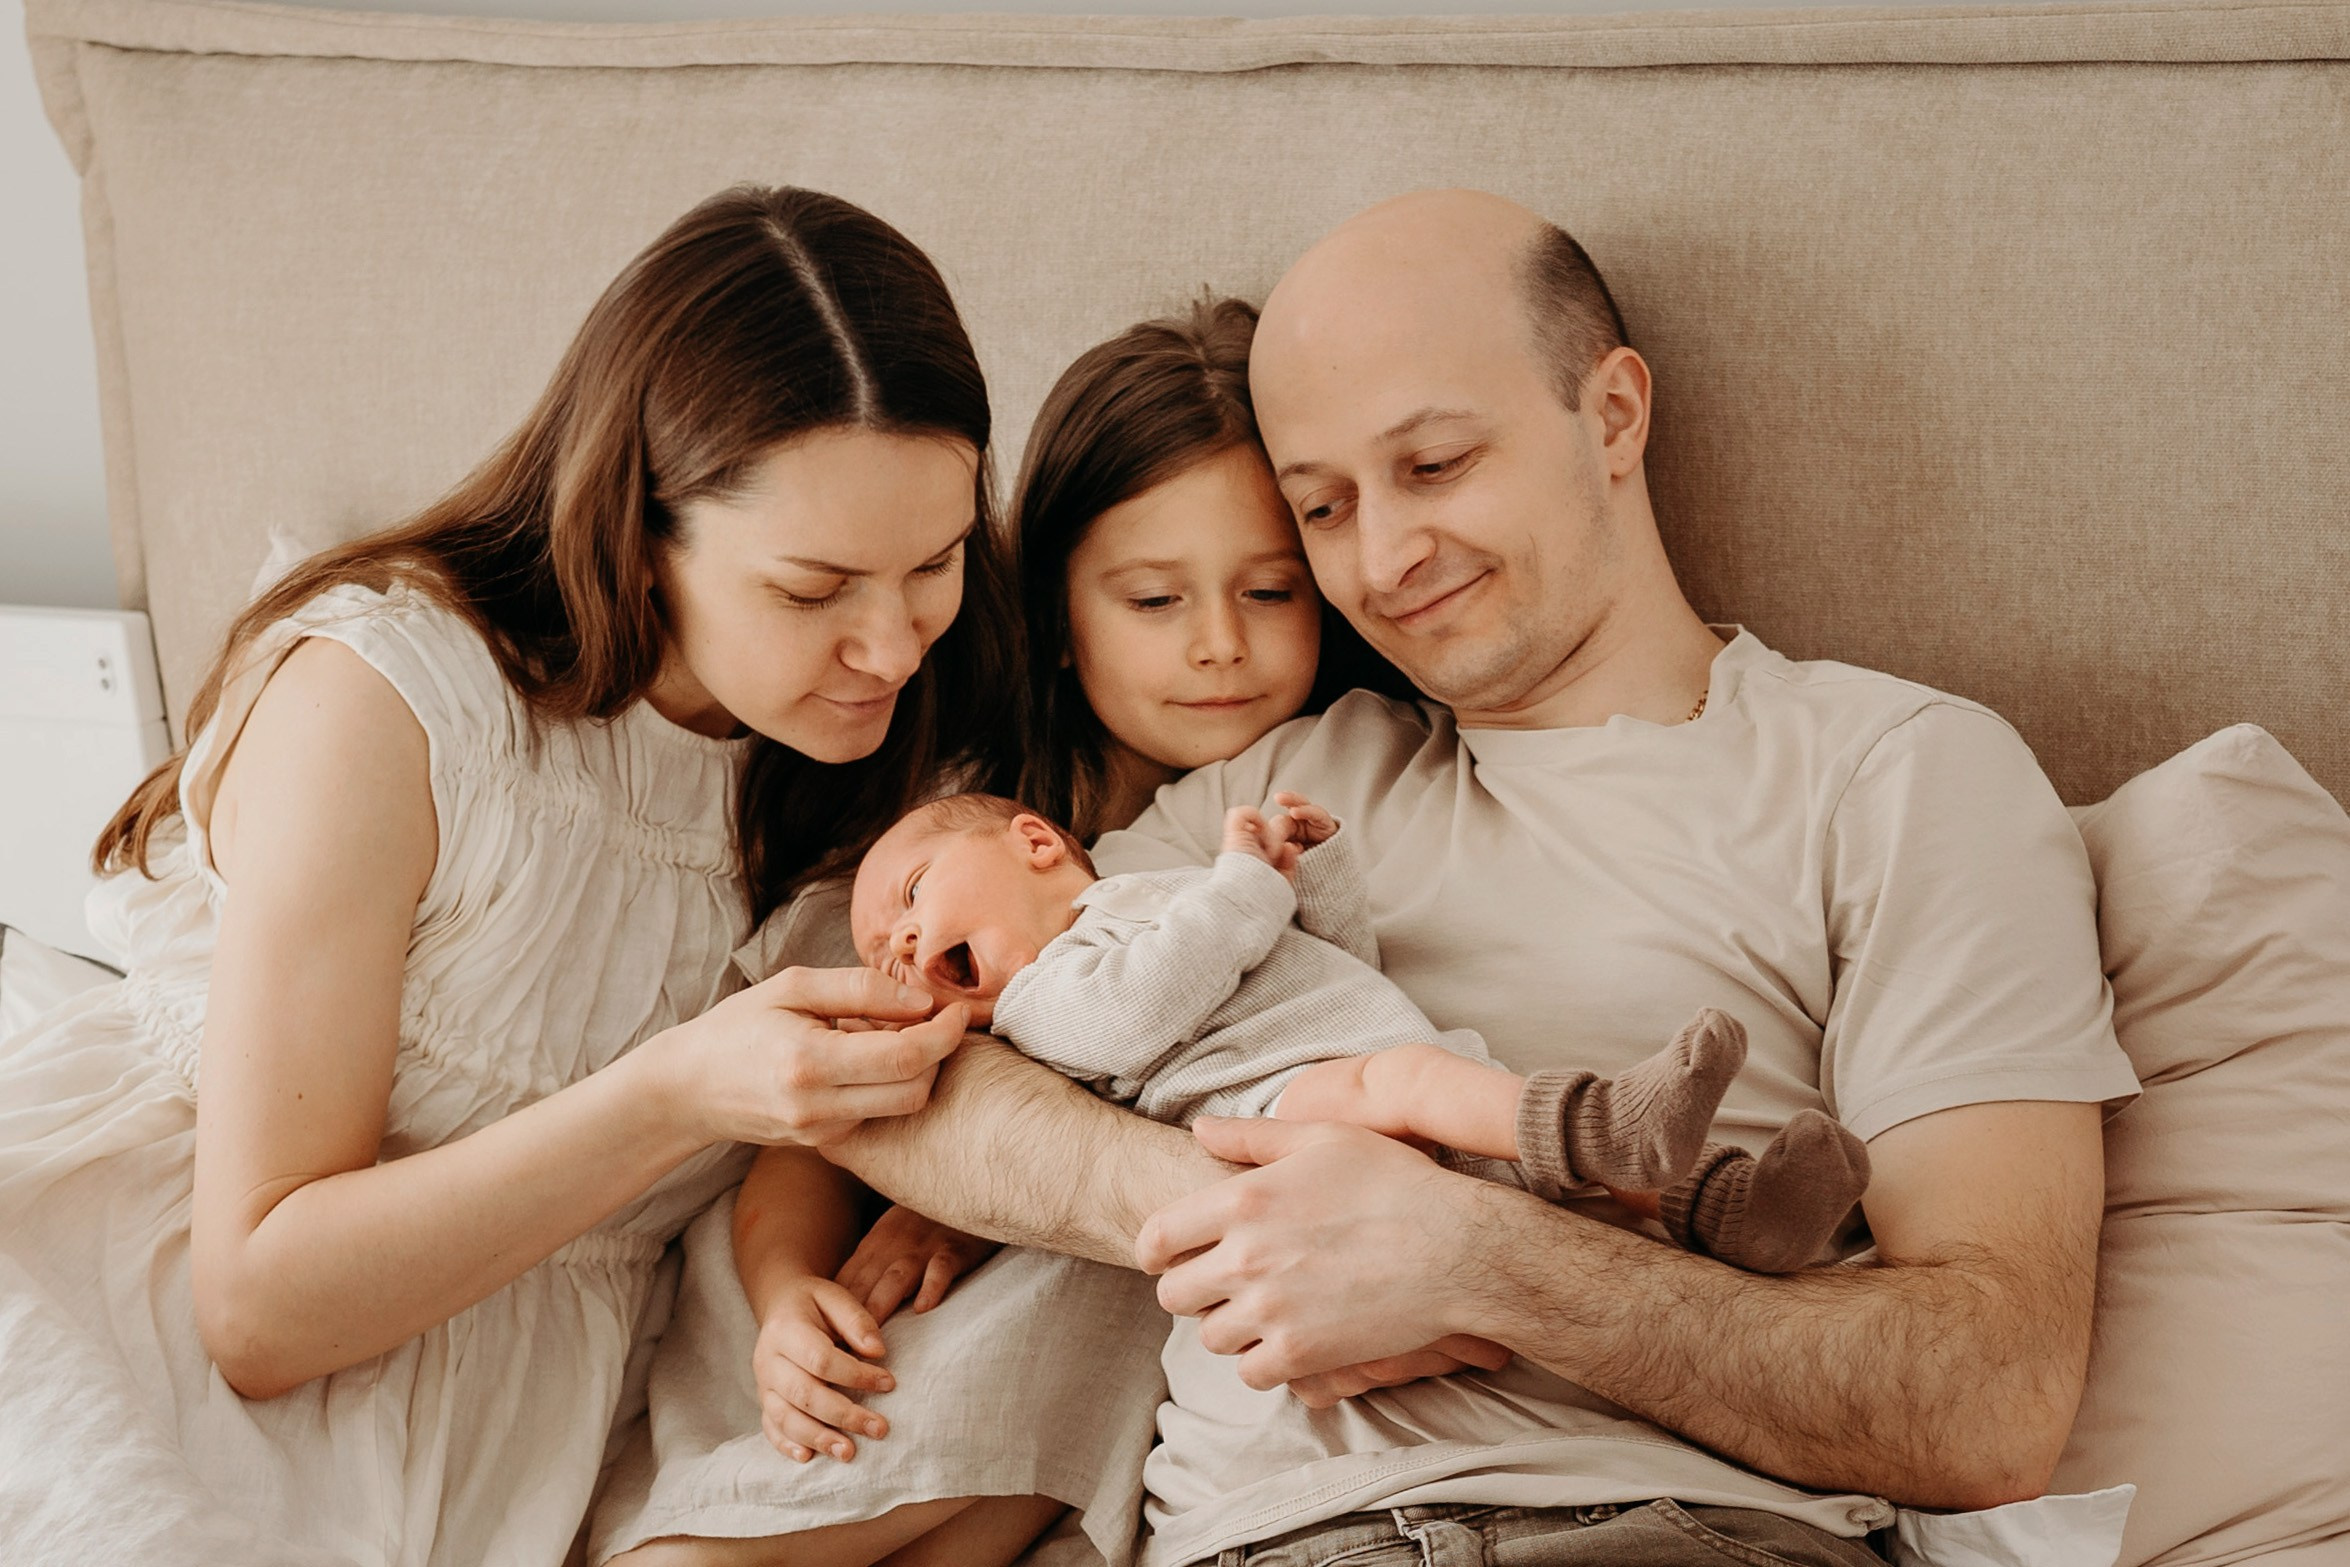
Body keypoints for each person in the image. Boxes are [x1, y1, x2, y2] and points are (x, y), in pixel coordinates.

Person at [817, 189, 2142, 1567]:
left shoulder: (1892, 771)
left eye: (1436, 465)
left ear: (1611, 415)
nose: (1382, 559)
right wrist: (1261, 1215)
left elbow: (1988, 1396)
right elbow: (883, 1086)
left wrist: (1474, 1257)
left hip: (1657, 1536)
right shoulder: (1260, 792)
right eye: (1323, 508)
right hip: (1261, 1541)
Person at [0, 185, 1012, 1566]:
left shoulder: (910, 770)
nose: (890, 645)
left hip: (522, 1441)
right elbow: (255, 1313)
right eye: (810, 588)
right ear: (642, 536)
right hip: (168, 1363)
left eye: (933, 562)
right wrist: (673, 1092)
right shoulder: (393, 708)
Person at [588, 298, 1409, 1567]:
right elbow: (800, 1135)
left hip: (1096, 1321)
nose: (1219, 644)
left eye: (1270, 589)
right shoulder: (937, 856)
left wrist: (993, 1201)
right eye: (1152, 597)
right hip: (839, 1304)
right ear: (1056, 615)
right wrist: (793, 1287)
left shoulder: (1310, 813)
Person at [840, 787, 1869, 1276]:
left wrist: (1314, 874)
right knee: (1413, 1081)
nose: (904, 938)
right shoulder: (1043, 999)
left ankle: (1732, 1208)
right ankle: (1608, 1119)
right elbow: (1135, 1014)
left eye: (912, 894)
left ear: (1031, 841)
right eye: (887, 949)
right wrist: (1246, 884)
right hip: (1273, 1110)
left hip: (1356, 1055)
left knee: (1531, 1155)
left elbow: (1332, 965)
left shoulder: (1164, 895)